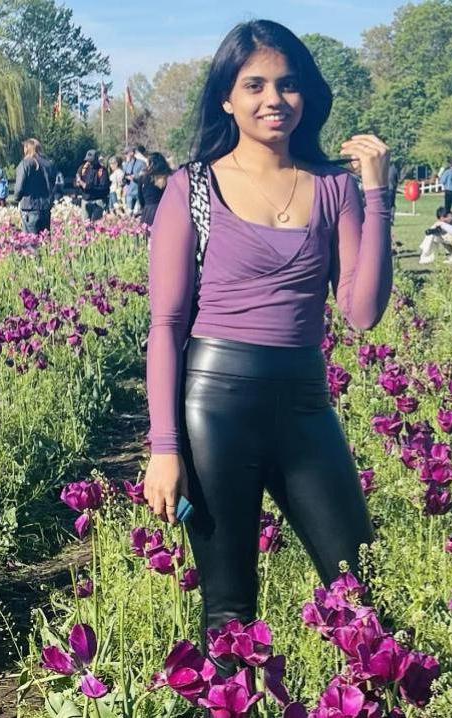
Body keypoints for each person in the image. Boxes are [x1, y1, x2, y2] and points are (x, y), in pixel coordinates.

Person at [143, 19, 392, 676]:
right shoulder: (192, 187)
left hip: (305, 403)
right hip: (213, 407)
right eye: (253, 85)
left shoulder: (333, 186)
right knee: (229, 611)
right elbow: (166, 324)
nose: (272, 99)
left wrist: (376, 191)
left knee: (362, 592)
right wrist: (164, 451)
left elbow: (362, 313)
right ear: (226, 97)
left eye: (287, 85)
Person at [13, 138, 55, 234]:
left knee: (31, 244)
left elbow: (19, 188)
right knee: (45, 243)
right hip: (45, 208)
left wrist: (17, 198)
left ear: (27, 148)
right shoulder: (49, 164)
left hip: (30, 208)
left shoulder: (25, 163)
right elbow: (53, 185)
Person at [136, 152, 172, 226]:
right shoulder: (166, 177)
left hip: (148, 210)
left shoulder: (143, 177)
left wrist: (144, 207)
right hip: (162, 209)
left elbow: (140, 197)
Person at [75, 150, 110, 221]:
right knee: (86, 225)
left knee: (96, 225)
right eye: (87, 160)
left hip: (97, 201)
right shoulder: (82, 168)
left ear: (96, 159)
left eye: (91, 161)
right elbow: (77, 180)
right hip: (85, 200)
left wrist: (87, 186)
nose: (89, 162)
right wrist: (78, 184)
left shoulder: (103, 170)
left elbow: (104, 188)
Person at [122, 147, 146, 215]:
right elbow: (123, 178)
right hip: (129, 192)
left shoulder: (141, 163)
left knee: (138, 213)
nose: (125, 155)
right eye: (124, 154)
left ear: (132, 153)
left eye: (127, 153)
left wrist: (134, 177)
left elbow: (144, 176)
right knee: (129, 214)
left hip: (138, 192)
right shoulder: (125, 165)